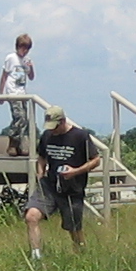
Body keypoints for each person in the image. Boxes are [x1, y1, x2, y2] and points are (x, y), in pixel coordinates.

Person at [26, 104, 100, 258]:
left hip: (72, 189)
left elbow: (96, 160)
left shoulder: (80, 136)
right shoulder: (47, 136)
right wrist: (40, 173)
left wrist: (75, 171)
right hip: (49, 185)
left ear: (63, 121)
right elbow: (41, 157)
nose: (52, 130)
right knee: (31, 216)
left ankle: (81, 254)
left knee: (73, 228)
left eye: (54, 127)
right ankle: (36, 256)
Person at [0, 34, 35, 156]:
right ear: (17, 47)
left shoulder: (26, 60)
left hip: (22, 93)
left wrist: (31, 68)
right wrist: (1, 94)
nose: (24, 51)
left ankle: (19, 145)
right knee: (19, 117)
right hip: (13, 92)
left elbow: (31, 77)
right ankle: (12, 143)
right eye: (22, 48)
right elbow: (4, 76)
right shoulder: (11, 58)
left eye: (27, 49)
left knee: (24, 120)